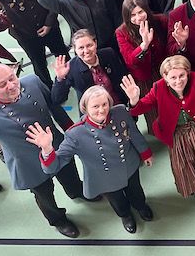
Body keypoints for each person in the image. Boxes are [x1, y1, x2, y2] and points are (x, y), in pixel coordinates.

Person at [0, 64, 86, 238]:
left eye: (12, 78)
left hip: (56, 147)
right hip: (29, 163)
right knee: (44, 195)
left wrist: (72, 132)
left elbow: (55, 108)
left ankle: (76, 192)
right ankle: (58, 220)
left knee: (70, 175)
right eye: (2, 85)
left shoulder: (33, 82)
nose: (11, 86)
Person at [27, 86, 154, 233]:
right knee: (117, 200)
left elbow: (134, 133)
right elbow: (53, 167)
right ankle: (125, 215)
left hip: (129, 165)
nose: (101, 110)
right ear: (85, 108)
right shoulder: (76, 134)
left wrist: (146, 153)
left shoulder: (120, 112)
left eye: (105, 104)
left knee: (136, 190)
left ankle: (140, 206)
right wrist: (47, 150)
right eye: (95, 106)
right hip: (105, 177)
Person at [122, 57, 195, 197]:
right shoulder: (158, 88)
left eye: (182, 75)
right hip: (177, 131)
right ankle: (194, 185)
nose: (178, 81)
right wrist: (134, 100)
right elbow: (139, 108)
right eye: (173, 77)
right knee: (184, 162)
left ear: (187, 73)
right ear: (165, 78)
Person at [116, 0, 167, 132]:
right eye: (133, 15)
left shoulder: (161, 20)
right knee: (153, 109)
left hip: (164, 70)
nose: (138, 18)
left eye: (140, 12)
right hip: (144, 76)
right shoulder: (122, 32)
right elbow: (130, 60)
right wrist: (144, 45)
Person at [51, 29, 129, 107]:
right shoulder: (70, 68)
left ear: (95, 43)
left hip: (119, 104)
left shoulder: (108, 54)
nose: (86, 51)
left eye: (89, 45)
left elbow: (124, 76)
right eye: (81, 48)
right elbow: (57, 100)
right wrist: (60, 78)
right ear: (75, 49)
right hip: (93, 110)